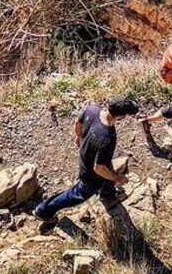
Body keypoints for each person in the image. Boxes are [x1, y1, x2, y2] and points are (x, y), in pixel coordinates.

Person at [33, 96, 140, 225]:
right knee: (76, 195)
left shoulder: (93, 109)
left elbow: (78, 122)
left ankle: (108, 195)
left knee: (107, 168)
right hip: (91, 174)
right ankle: (43, 211)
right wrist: (117, 178)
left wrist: (79, 137)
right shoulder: (108, 138)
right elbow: (99, 168)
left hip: (86, 155)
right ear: (121, 116)